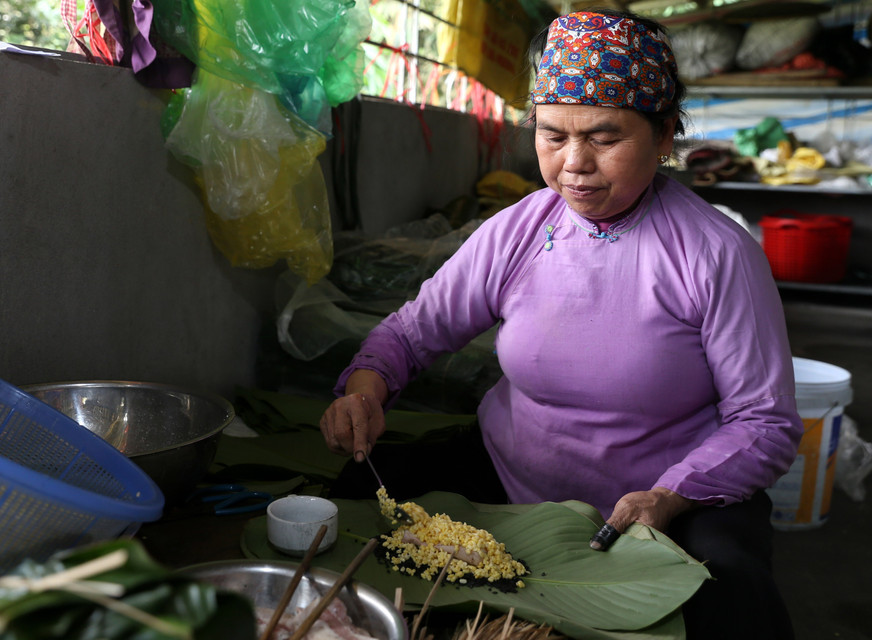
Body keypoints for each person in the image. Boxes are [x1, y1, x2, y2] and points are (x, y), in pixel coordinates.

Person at [319, 9, 803, 639]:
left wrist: (672, 494)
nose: (573, 163)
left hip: (667, 500)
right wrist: (365, 390)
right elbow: (414, 332)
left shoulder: (715, 253)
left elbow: (763, 422)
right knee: (354, 496)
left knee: (732, 591)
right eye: (551, 135)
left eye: (604, 138)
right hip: (512, 470)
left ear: (663, 137)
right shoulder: (520, 231)